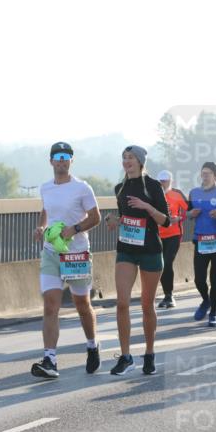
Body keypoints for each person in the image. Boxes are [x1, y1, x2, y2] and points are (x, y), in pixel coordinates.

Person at [30, 142, 102, 379]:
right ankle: (50, 359)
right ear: (50, 161)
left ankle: (92, 345)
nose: (61, 160)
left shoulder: (82, 188)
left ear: (72, 160)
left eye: (66, 156)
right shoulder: (45, 188)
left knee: (82, 305)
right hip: (51, 252)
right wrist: (41, 227)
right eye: (57, 157)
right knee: (51, 305)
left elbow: (96, 217)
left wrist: (74, 229)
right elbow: (46, 210)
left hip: (76, 254)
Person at [104, 145, 171, 375]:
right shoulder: (120, 187)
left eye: (130, 158)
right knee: (122, 303)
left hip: (150, 249)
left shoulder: (153, 186)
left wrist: (146, 206)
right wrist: (114, 221)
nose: (126, 161)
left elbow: (165, 221)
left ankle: (149, 354)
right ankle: (125, 356)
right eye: (124, 158)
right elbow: (126, 217)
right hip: (126, 249)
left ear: (141, 161)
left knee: (146, 305)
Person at [188, 162, 216, 327]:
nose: (205, 176)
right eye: (203, 173)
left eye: (208, 173)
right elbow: (187, 213)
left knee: (214, 279)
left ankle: (213, 313)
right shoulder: (193, 193)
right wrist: (190, 214)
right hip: (201, 240)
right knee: (199, 279)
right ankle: (206, 301)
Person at [156, 170, 188, 309]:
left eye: (165, 181)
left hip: (174, 234)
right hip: (157, 234)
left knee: (168, 262)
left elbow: (190, 210)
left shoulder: (177, 194)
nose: (163, 184)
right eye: (161, 181)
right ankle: (166, 295)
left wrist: (179, 218)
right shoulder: (154, 194)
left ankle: (169, 296)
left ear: (171, 181)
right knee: (161, 264)